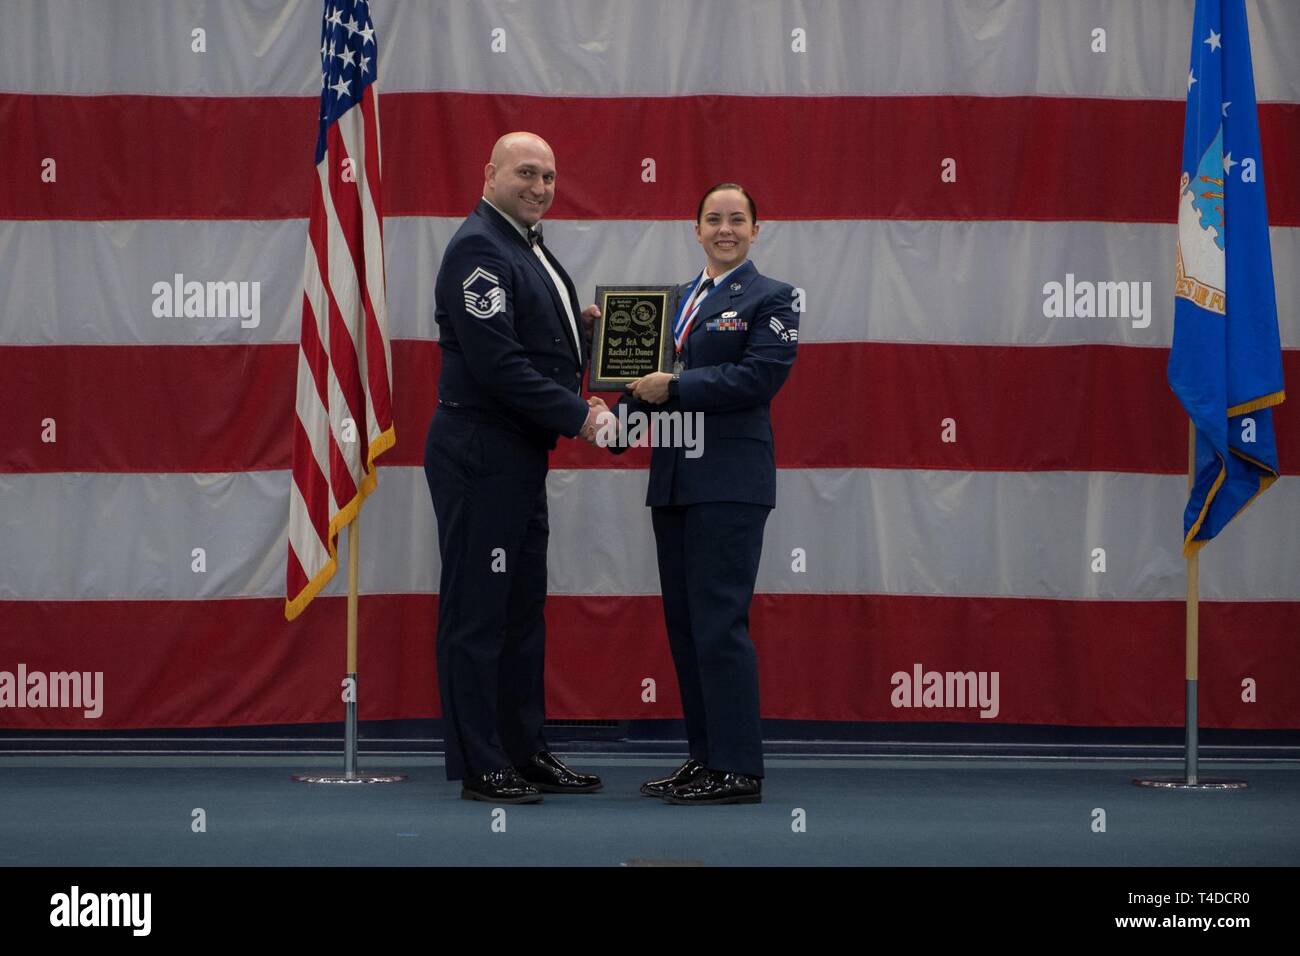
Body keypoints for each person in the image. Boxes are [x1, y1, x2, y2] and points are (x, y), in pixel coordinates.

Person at [424, 132, 612, 804]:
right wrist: (581, 414)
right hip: (481, 449)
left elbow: (528, 340)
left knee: (521, 610)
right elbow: (496, 363)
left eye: (550, 176)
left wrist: (585, 333)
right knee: (479, 612)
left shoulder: (522, 242)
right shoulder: (480, 245)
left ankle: (525, 750)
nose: (540, 186)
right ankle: (483, 764)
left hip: (517, 452)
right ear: (490, 173)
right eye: (526, 173)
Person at [606, 182, 799, 804]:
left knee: (720, 624)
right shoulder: (673, 300)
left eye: (737, 219)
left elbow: (758, 377)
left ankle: (739, 768)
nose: (725, 229)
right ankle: (705, 755)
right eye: (713, 219)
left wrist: (676, 390)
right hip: (674, 482)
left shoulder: (773, 298)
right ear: (695, 229)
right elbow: (644, 375)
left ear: (755, 229)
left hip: (730, 483)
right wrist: (615, 413)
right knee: (686, 628)